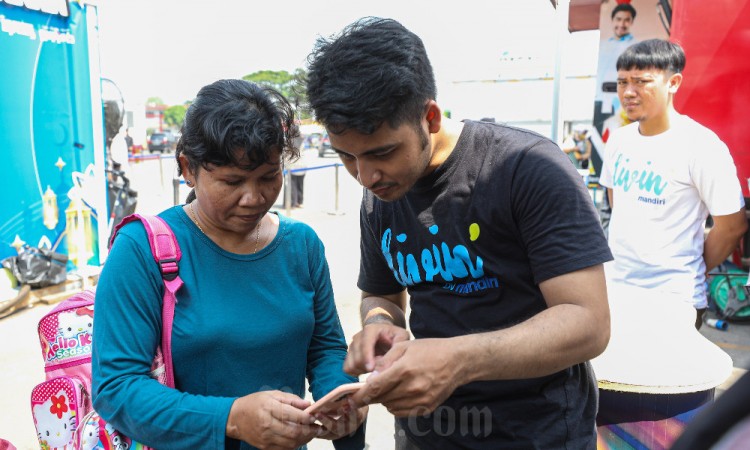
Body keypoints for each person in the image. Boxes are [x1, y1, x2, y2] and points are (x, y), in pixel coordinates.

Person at [305, 17, 612, 449]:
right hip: (426, 434)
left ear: (429, 117)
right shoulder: (380, 196)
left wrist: (459, 360)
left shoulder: (526, 168)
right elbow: (383, 294)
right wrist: (379, 323)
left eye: (382, 153)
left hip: (535, 435)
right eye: (347, 157)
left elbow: (588, 322)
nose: (365, 175)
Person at [92, 79, 367, 450]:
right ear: (188, 168)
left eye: (269, 177)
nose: (253, 198)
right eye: (232, 181)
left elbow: (325, 349)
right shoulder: (141, 250)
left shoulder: (302, 246)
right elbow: (116, 388)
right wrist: (231, 419)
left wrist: (340, 399)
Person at [599, 39, 747, 330]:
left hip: (673, 301)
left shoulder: (702, 146)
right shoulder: (618, 141)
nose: (628, 92)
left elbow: (733, 226)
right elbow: (619, 207)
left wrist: (695, 265)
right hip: (615, 293)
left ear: (674, 82)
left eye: (642, 81)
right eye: (622, 82)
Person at [595, 1, 638, 118]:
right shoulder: (602, 45)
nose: (621, 24)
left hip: (624, 103)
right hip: (601, 98)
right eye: (618, 19)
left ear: (631, 22)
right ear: (612, 20)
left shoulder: (636, 47)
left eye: (626, 20)